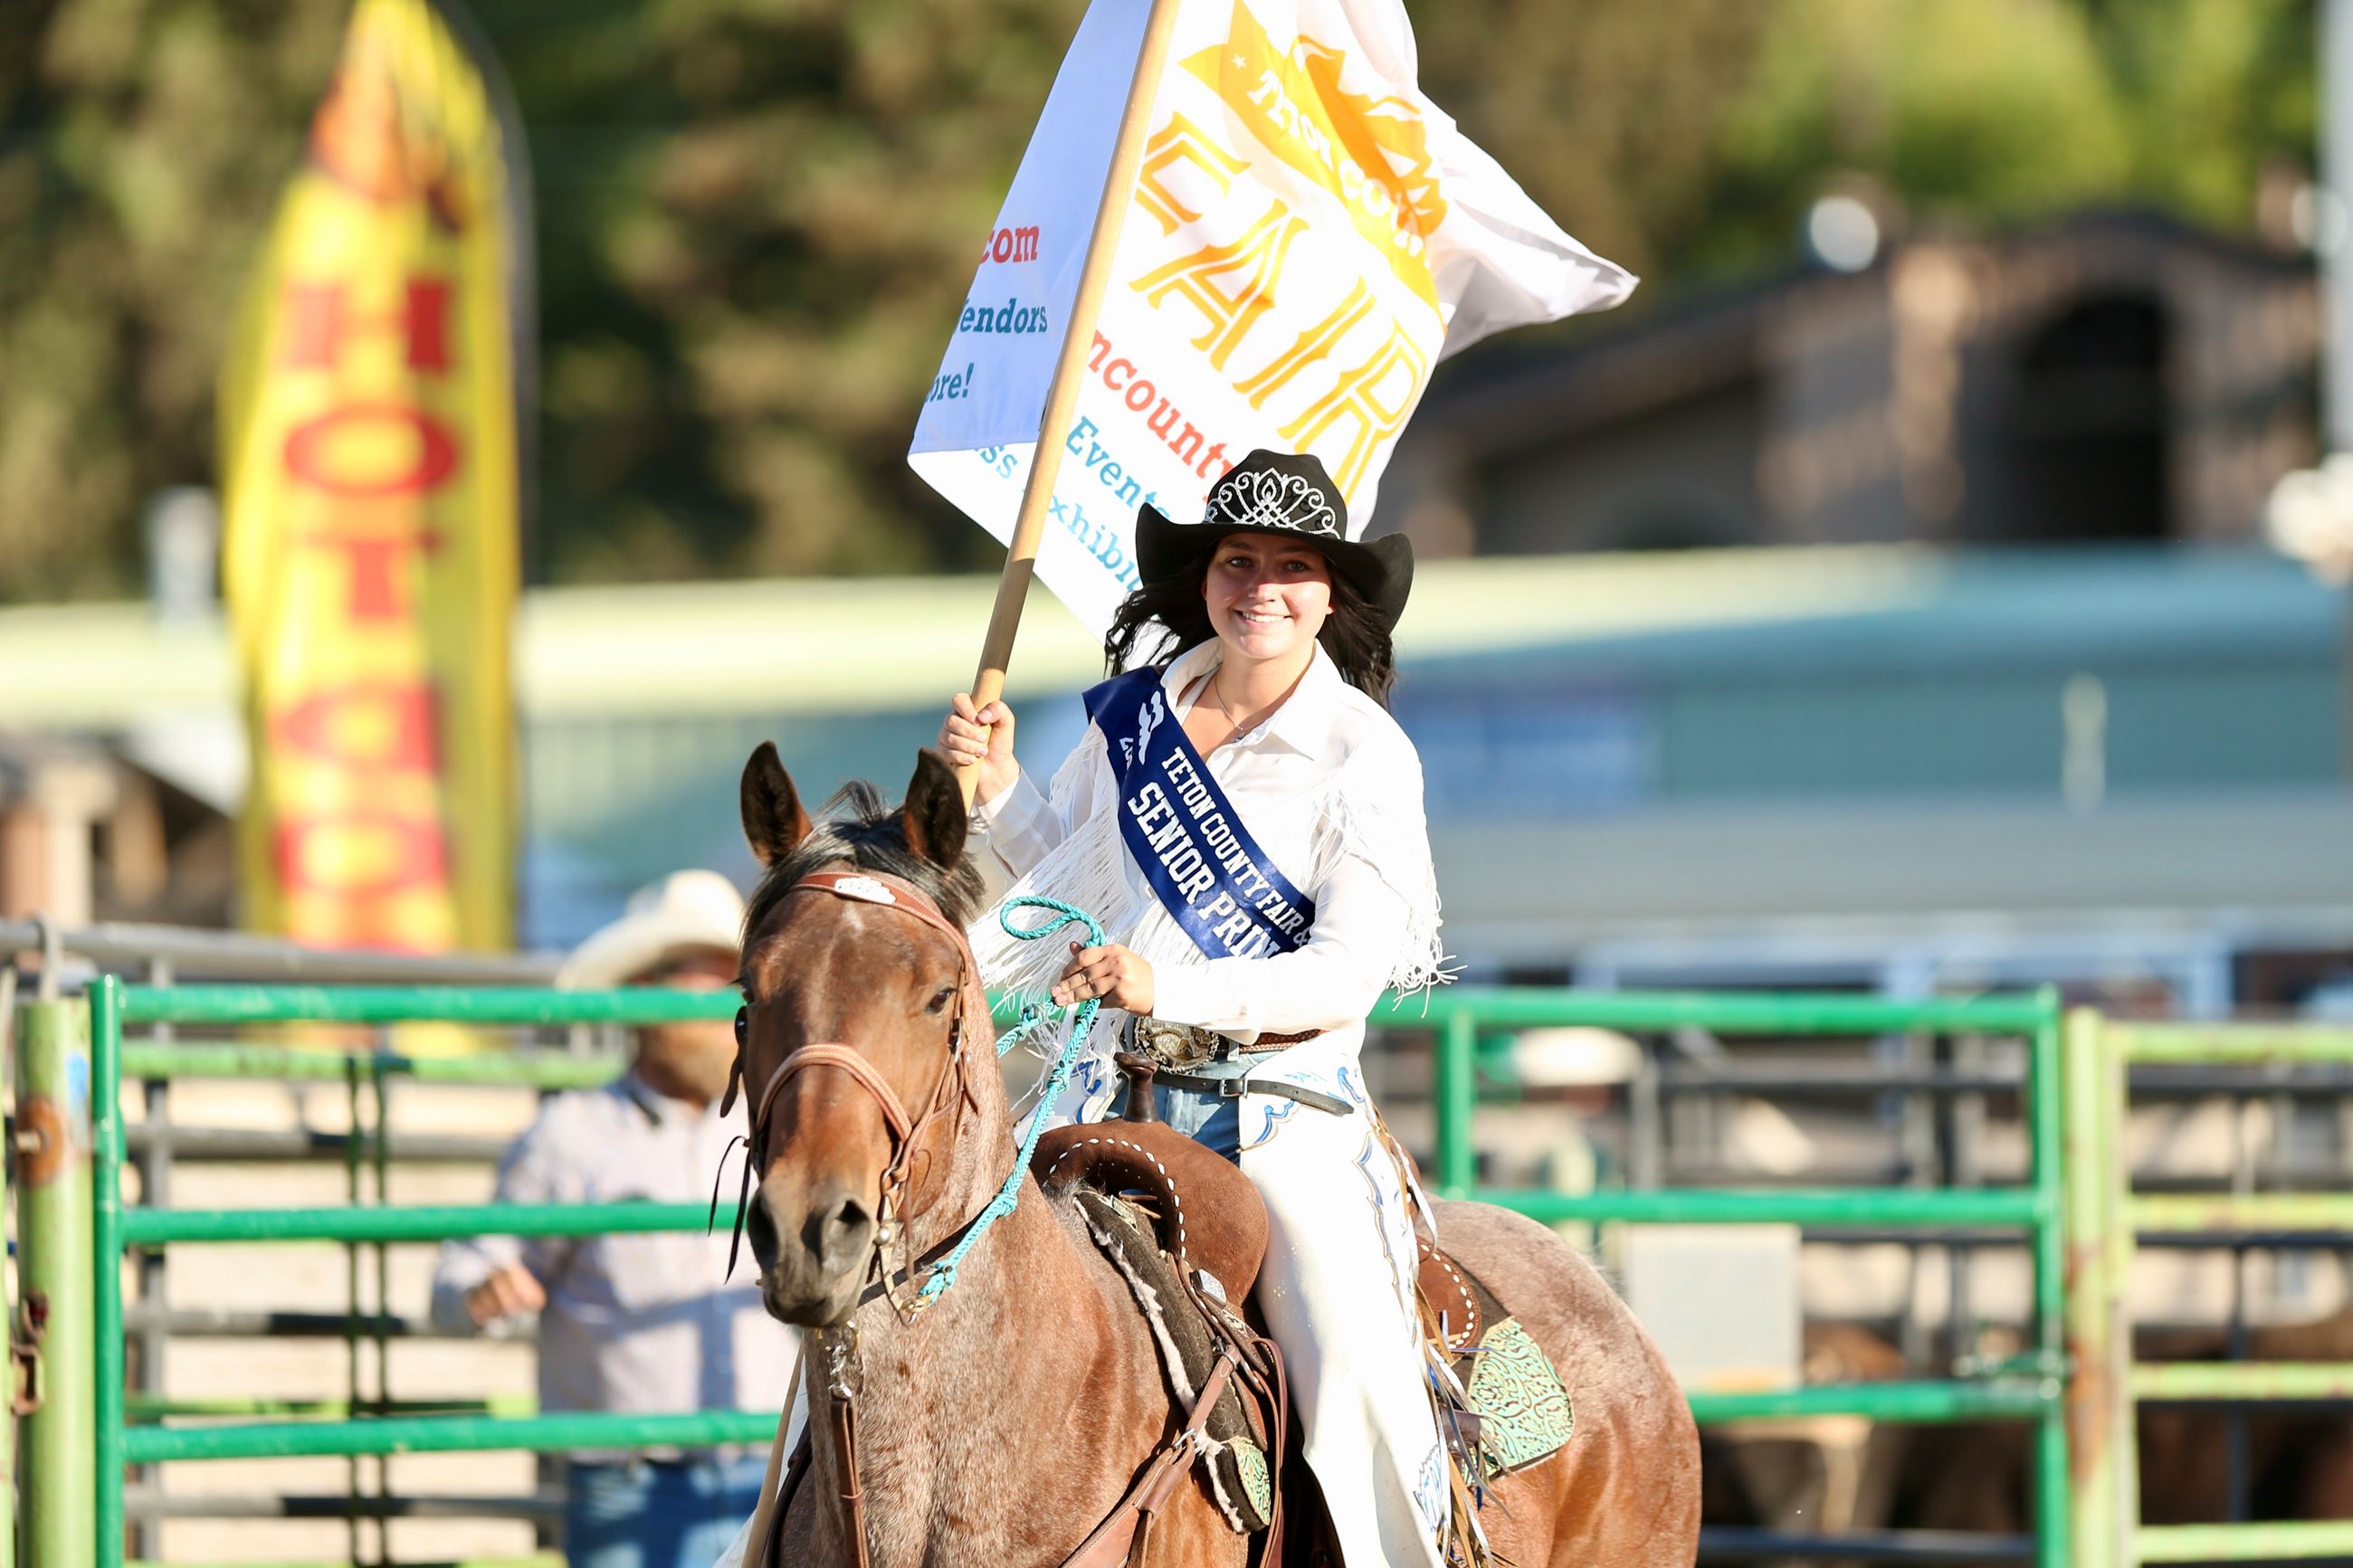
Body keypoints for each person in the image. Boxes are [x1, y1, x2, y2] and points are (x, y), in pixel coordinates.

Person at [938, 449, 1453, 1568]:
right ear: (1203, 578)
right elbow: (1074, 875)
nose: (1259, 586)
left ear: (1331, 594)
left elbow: (1344, 972)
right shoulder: (1136, 714)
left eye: (1290, 565)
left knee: (1357, 1376)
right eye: (1236, 560)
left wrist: (1165, 983)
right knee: (932, 1285)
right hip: (1102, 1086)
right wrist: (999, 793)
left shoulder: (1365, 754)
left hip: (1276, 1110)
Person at [430, 870, 796, 1568]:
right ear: (642, 996)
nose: (731, 1007)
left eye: (739, 984)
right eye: (706, 979)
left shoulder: (782, 1123)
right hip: (630, 1482)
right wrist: (485, 1292)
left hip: (769, 1471)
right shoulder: (573, 1135)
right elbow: (461, 1275)